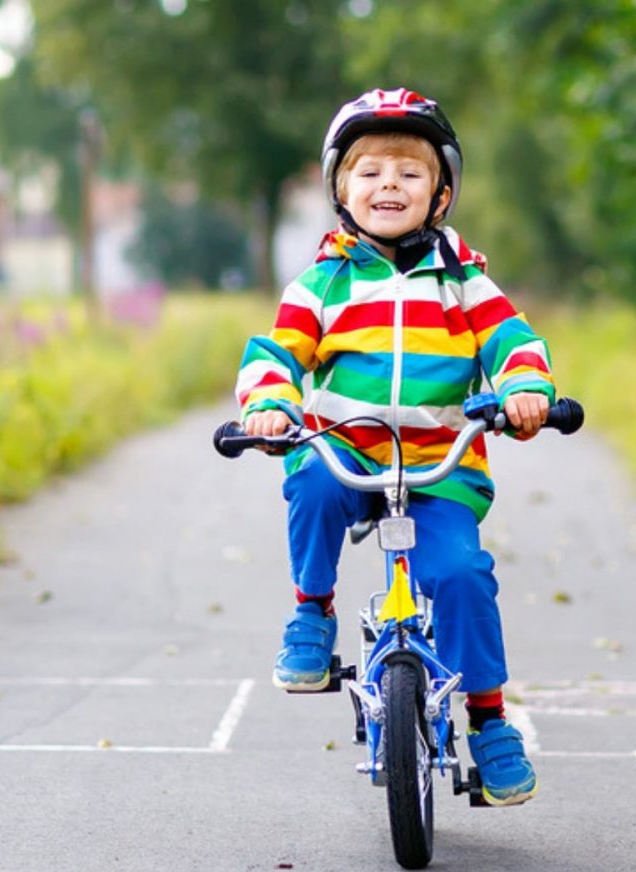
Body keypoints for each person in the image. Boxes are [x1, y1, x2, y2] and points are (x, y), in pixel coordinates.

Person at [233, 88, 556, 807]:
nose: (389, 185)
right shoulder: (324, 282)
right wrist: (270, 403)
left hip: (441, 467)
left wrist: (525, 390)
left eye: (410, 173)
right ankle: (311, 612)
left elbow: (514, 343)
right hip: (347, 454)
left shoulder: (465, 282)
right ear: (340, 189)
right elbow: (274, 353)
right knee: (310, 483)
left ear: (441, 194)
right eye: (370, 171)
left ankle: (490, 719)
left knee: (464, 576)